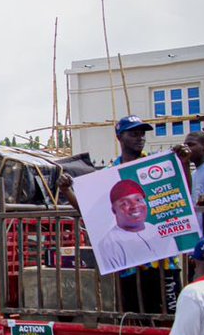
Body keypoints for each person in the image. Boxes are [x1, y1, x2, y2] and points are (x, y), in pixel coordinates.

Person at [59, 114, 186, 314]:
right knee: (136, 323)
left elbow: (181, 193)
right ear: (119, 137)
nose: (140, 138)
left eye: (142, 134)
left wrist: (184, 163)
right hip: (129, 268)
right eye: (133, 133)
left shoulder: (158, 164)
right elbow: (90, 212)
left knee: (170, 320)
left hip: (164, 265)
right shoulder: (108, 174)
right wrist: (67, 191)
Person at [95, 179, 180, 271]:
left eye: (138, 200)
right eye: (124, 203)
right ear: (114, 210)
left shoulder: (158, 231)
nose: (134, 206)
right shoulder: (109, 244)